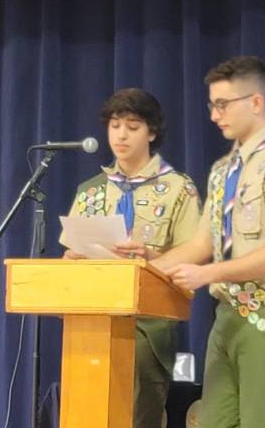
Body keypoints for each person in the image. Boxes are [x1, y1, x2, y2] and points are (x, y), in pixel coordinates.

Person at [152, 56, 265, 427]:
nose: (214, 115)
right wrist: (142, 269)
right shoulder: (224, 170)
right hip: (226, 316)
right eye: (212, 105)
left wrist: (206, 274)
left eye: (223, 104)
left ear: (256, 102)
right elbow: (201, 243)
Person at [60, 88, 201, 427]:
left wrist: (151, 257)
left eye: (133, 126)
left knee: (136, 416)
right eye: (115, 125)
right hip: (91, 326)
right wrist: (72, 259)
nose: (121, 135)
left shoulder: (179, 190)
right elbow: (69, 258)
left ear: (151, 132)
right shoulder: (90, 190)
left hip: (147, 331)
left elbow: (192, 260)